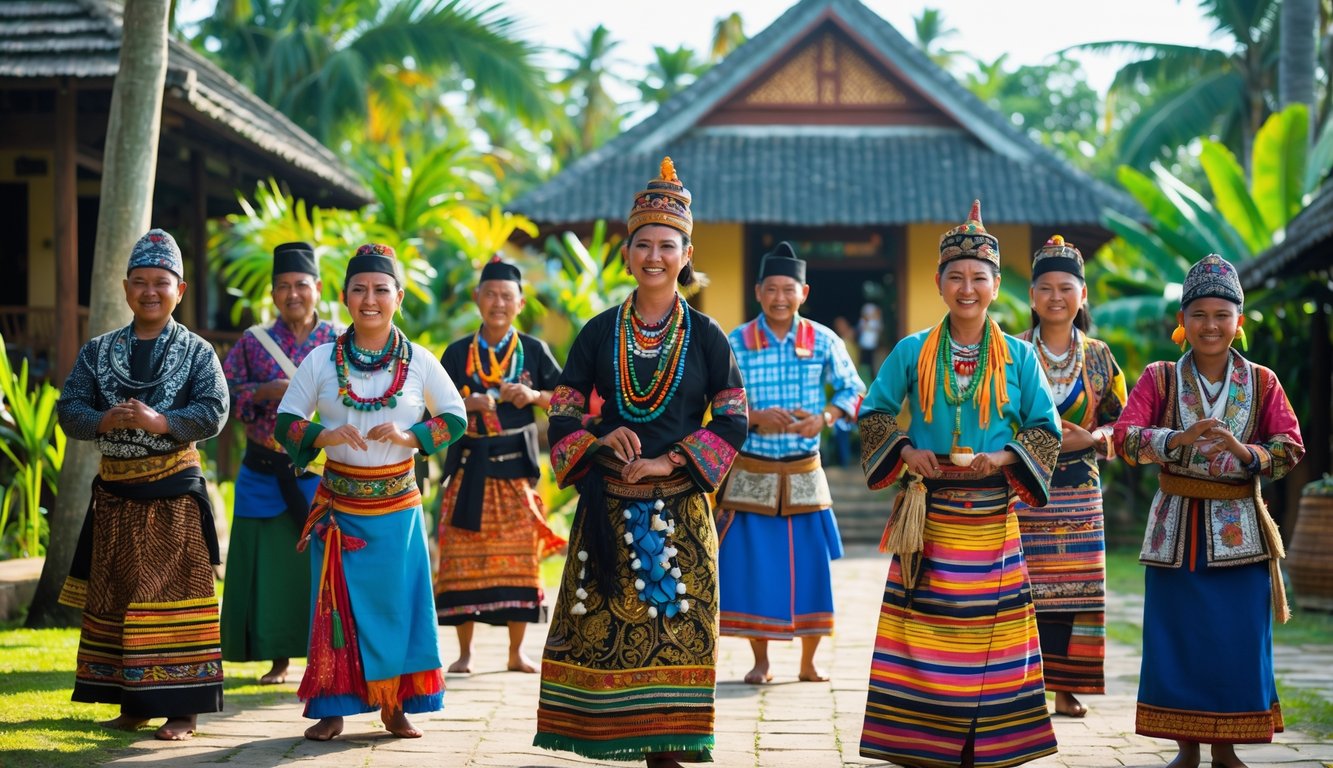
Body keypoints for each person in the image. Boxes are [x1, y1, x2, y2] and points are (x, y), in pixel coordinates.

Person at [533, 157, 747, 767]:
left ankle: (668, 746)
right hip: (607, 509)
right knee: (603, 627)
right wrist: (601, 442)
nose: (655, 256)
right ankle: (610, 734)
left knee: (678, 628)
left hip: (679, 508)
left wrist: (670, 460)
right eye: (643, 244)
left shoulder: (707, 336)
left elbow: (733, 417)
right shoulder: (598, 332)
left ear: (686, 254)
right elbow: (566, 410)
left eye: (667, 246)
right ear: (627, 253)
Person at [857, 201, 1062, 767]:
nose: (967, 288)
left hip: (992, 514)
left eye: (979, 278)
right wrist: (904, 449)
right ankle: (921, 740)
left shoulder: (1020, 357)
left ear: (996, 285)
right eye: (956, 277)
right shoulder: (911, 351)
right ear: (938, 283)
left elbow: (1045, 428)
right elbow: (872, 414)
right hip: (926, 514)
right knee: (922, 629)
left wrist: (1003, 456)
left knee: (992, 636)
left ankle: (988, 743)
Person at [1114, 253, 1303, 768]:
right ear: (1182, 322)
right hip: (1176, 531)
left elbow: (1289, 446)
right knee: (1178, 637)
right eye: (1198, 314)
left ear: (1238, 322)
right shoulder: (1159, 378)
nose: (1210, 325)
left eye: (1222, 315)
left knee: (1237, 639)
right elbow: (1126, 439)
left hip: (1239, 531)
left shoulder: (1262, 382)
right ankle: (1187, 747)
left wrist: (1247, 453)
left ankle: (1227, 748)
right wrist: (1178, 438)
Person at [275, 243, 466, 741]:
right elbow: (286, 422)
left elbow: (455, 416)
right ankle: (332, 707)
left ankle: (395, 705)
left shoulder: (420, 361)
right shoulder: (320, 360)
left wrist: (412, 437)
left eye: (381, 289)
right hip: (338, 509)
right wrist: (323, 435)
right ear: (342, 296)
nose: (370, 299)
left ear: (398, 297)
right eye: (359, 289)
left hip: (397, 509)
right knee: (336, 609)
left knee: (397, 608)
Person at [56, 229, 229, 741]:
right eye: (139, 282)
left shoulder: (198, 352)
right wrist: (101, 422)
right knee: (122, 598)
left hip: (171, 496)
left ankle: (183, 711)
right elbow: (70, 409)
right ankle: (133, 704)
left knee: (172, 598)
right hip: (114, 498)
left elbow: (215, 411)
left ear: (181, 290)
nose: (149, 291)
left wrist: (162, 423)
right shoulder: (97, 350)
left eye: (161, 282)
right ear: (125, 288)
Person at [716, 242, 864, 684]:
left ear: (804, 292)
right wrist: (753, 418)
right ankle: (760, 661)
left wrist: (826, 416)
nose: (780, 297)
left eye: (789, 290)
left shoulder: (823, 340)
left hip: (804, 471)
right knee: (752, 567)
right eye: (772, 289)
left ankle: (808, 661)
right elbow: (716, 402)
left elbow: (854, 390)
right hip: (752, 470)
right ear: (758, 290)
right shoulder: (735, 341)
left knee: (812, 566)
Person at [1011, 236, 1127, 719]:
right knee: (1021, 590)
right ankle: (1018, 686)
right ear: (1032, 296)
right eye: (1045, 287)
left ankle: (1067, 687)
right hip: (1022, 490)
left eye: (1066, 287)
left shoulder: (1100, 357)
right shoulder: (1010, 352)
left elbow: (1126, 422)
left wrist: (1094, 439)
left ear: (1082, 295)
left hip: (1081, 493)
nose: (1055, 297)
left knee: (1078, 592)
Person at [434, 256, 566, 674]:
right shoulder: (457, 353)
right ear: (477, 299)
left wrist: (533, 396)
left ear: (520, 303)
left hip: (515, 470)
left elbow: (569, 399)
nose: (497, 303)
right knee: (461, 558)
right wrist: (464, 402)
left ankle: (516, 652)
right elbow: (431, 405)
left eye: (506, 296)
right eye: (490, 294)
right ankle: (465, 653)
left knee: (522, 557)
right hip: (471, 466)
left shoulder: (534, 350)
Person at [220, 242, 339, 685]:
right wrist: (263, 392)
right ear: (272, 293)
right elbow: (224, 396)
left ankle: (323, 656)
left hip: (318, 470)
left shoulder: (337, 339)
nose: (293, 294)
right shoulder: (253, 342)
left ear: (318, 288)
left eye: (301, 285)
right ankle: (277, 658)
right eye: (284, 286)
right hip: (262, 471)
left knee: (320, 565)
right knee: (270, 567)